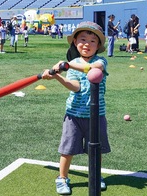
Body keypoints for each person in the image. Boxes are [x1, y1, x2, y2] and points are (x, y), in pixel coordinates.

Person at [41, 21, 111, 195]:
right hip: (74, 114)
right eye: (83, 39)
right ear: (75, 42)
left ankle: (96, 176)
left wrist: (67, 65)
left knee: (95, 150)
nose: (87, 44)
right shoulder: (73, 63)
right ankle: (62, 178)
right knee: (68, 149)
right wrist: (57, 76)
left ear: (99, 45)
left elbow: (93, 69)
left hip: (96, 115)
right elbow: (75, 86)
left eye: (92, 41)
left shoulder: (101, 61)